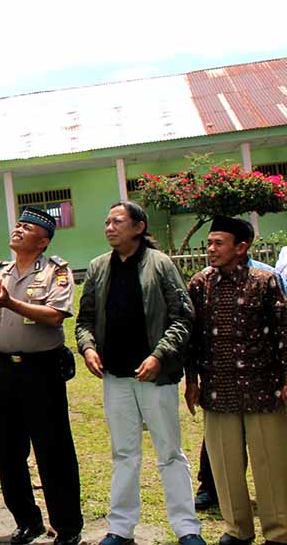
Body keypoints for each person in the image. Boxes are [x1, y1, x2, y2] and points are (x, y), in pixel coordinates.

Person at [74, 202, 204, 545]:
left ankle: (186, 528)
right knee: (124, 453)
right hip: (115, 377)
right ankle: (120, 527)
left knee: (170, 452)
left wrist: (159, 356)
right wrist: (87, 348)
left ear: (138, 226)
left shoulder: (160, 265)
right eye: (106, 221)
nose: (109, 227)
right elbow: (84, 319)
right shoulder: (98, 267)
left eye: (117, 221)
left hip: (154, 376)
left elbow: (183, 316)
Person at [0, 207, 82, 545]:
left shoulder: (56, 272)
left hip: (41, 369)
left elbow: (55, 315)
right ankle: (27, 520)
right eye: (18, 224)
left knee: (53, 448)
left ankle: (66, 526)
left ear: (43, 240)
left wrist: (9, 302)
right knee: (9, 449)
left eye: (27, 227)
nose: (18, 229)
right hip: (3, 369)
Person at [185, 216, 287, 545]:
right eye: (210, 243)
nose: (211, 249)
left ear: (241, 248)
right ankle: (237, 530)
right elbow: (193, 338)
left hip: (264, 388)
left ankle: (278, 532)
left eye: (219, 243)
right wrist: (192, 381)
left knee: (270, 464)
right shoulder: (200, 284)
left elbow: (284, 332)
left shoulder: (266, 280)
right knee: (225, 465)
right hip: (218, 389)